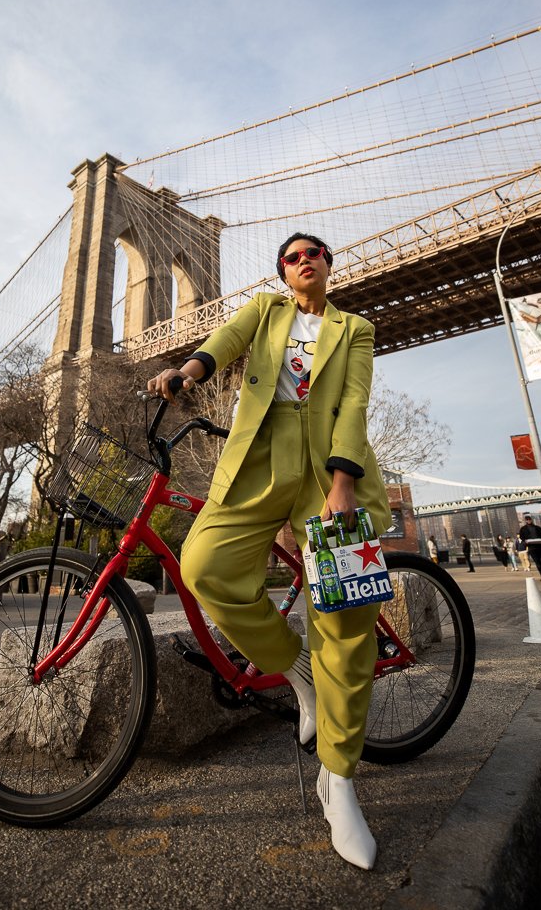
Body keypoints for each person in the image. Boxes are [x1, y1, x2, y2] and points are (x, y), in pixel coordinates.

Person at [148, 232, 392, 871]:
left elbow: (354, 404)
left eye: (314, 253)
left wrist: (343, 486)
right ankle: (298, 670)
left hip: (329, 472)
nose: (303, 261)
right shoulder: (265, 310)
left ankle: (339, 780)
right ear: (282, 272)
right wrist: (186, 371)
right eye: (291, 256)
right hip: (256, 459)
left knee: (344, 622)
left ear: (329, 265)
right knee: (204, 568)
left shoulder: (356, 328)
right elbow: (221, 345)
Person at [519, 515, 541, 580]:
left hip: (540, 546)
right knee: (537, 562)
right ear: (525, 521)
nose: (529, 521)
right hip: (532, 548)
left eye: (529, 519)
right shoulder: (523, 529)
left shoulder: (537, 528)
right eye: (527, 520)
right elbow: (521, 537)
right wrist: (525, 540)